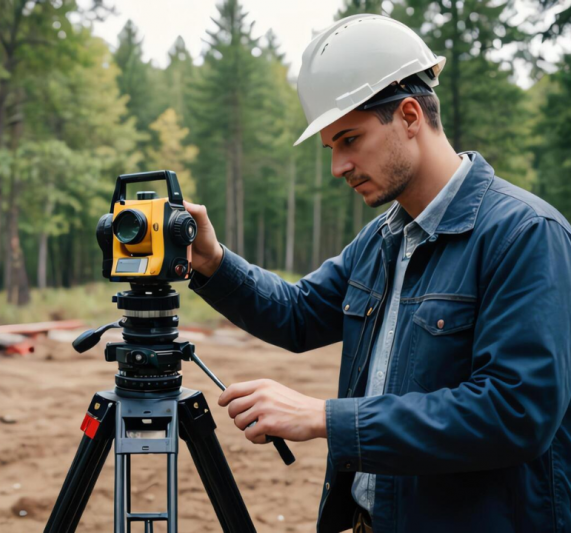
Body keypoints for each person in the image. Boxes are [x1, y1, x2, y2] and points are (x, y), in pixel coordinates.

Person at [183, 13, 571, 533]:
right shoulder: (386, 237)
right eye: (331, 148)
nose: (337, 166)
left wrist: (326, 417)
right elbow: (299, 314)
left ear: (410, 116)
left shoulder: (525, 234)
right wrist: (213, 262)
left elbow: (515, 412)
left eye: (349, 139)